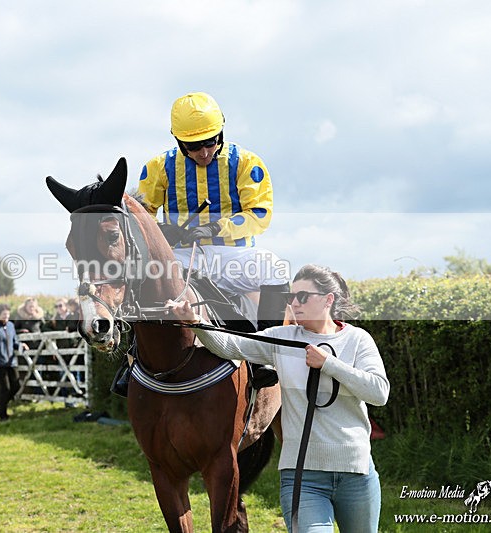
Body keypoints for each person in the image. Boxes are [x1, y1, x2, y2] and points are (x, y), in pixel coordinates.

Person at [167, 264, 390, 533]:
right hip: (303, 477)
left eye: (303, 297)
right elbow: (231, 345)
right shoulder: (281, 338)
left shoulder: (357, 340)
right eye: (291, 297)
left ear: (328, 299)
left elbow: (379, 393)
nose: (294, 303)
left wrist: (329, 364)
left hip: (357, 474)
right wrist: (195, 323)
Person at [137, 91, 289, 322]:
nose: (204, 152)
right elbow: (140, 219)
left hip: (234, 256)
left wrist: (215, 228)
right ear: (178, 141)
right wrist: (161, 230)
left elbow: (259, 215)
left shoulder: (247, 163)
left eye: (211, 142)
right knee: (140, 274)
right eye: (194, 146)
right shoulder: (157, 167)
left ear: (221, 132)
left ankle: (269, 344)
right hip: (182, 257)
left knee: (274, 267)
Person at [0, 303, 27, 421]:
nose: (6, 317)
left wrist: (21, 345)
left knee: (16, 385)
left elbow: (14, 341)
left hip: (11, 361)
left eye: (8, 315)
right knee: (5, 389)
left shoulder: (11, 326)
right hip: (0, 362)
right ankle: (2, 414)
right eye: (4, 315)